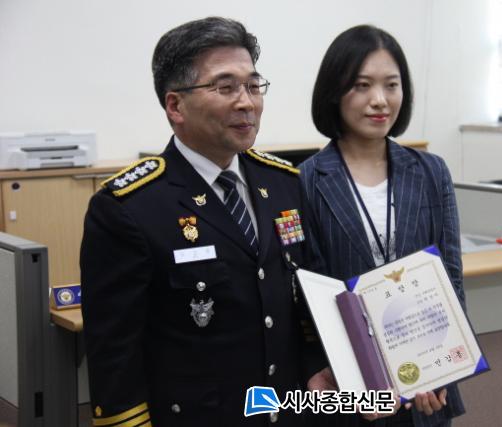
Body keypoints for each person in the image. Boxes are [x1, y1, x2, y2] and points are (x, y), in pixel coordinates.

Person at [80, 17, 328, 427]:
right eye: (225, 87)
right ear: (175, 106)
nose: (247, 102)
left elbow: (302, 303)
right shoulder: (129, 208)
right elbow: (114, 357)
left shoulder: (283, 184)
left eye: (253, 85)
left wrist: (318, 367)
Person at [299, 25, 466, 427]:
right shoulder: (306, 181)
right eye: (362, 85)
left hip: (428, 381)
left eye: (391, 85)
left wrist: (446, 367)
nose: (380, 100)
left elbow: (451, 277)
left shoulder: (431, 171)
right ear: (334, 92)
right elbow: (308, 294)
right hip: (353, 391)